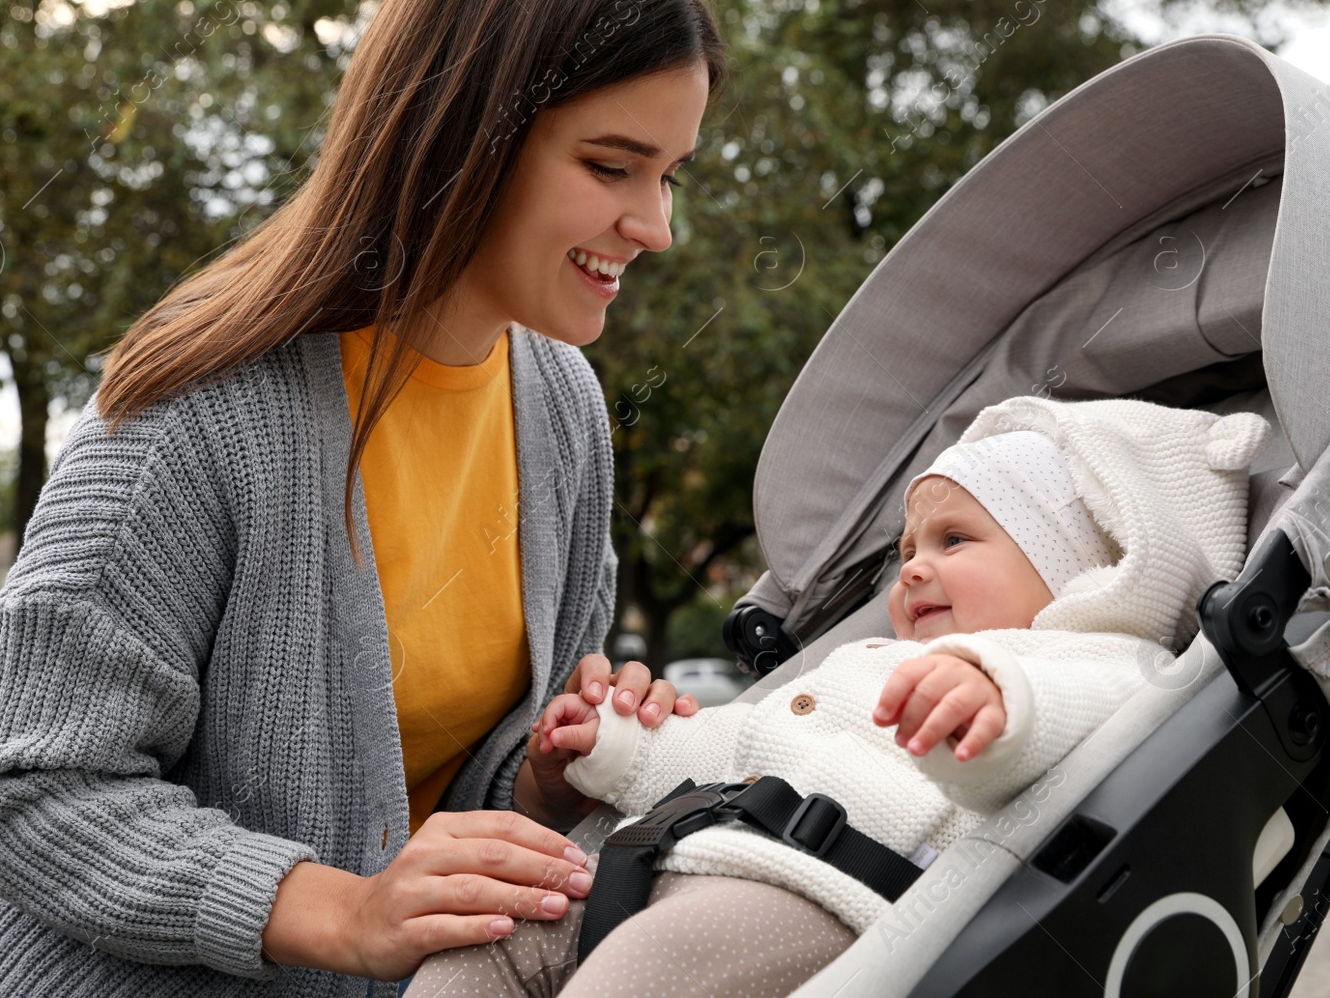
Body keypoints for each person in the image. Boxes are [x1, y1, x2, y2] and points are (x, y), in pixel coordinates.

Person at [0, 0, 728, 995]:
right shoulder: (205, 402)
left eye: (669, 172)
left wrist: (544, 776)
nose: (655, 224)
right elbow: (25, 782)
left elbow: (425, 799)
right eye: (611, 165)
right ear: (464, 135)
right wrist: (336, 909)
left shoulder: (563, 409)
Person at [406, 395, 1272, 997]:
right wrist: (615, 748)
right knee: (490, 945)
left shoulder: (1097, 663)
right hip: (675, 858)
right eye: (906, 551)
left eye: (956, 539)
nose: (916, 566)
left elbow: (1057, 731)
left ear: (1077, 570)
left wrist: (993, 705)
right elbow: (738, 749)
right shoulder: (863, 664)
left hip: (819, 905)